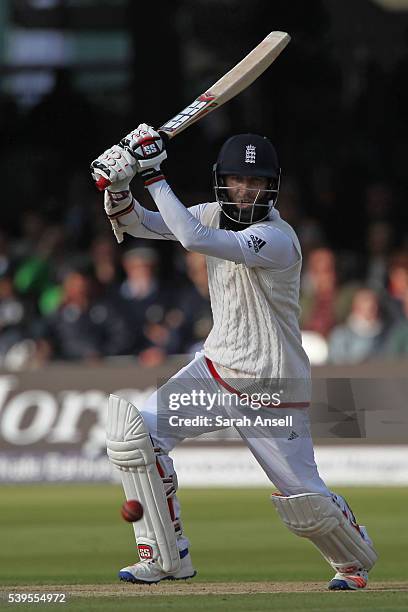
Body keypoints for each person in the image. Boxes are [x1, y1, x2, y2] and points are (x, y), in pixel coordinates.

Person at [91, 125, 377, 590]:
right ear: (222, 180)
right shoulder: (209, 213)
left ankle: (354, 556)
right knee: (133, 437)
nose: (246, 190)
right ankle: (167, 557)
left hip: (270, 387)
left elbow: (194, 240)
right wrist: (117, 186)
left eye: (257, 182)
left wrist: (152, 172)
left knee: (304, 501)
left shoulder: (276, 237)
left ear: (272, 186)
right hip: (213, 372)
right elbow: (142, 223)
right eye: (238, 180)